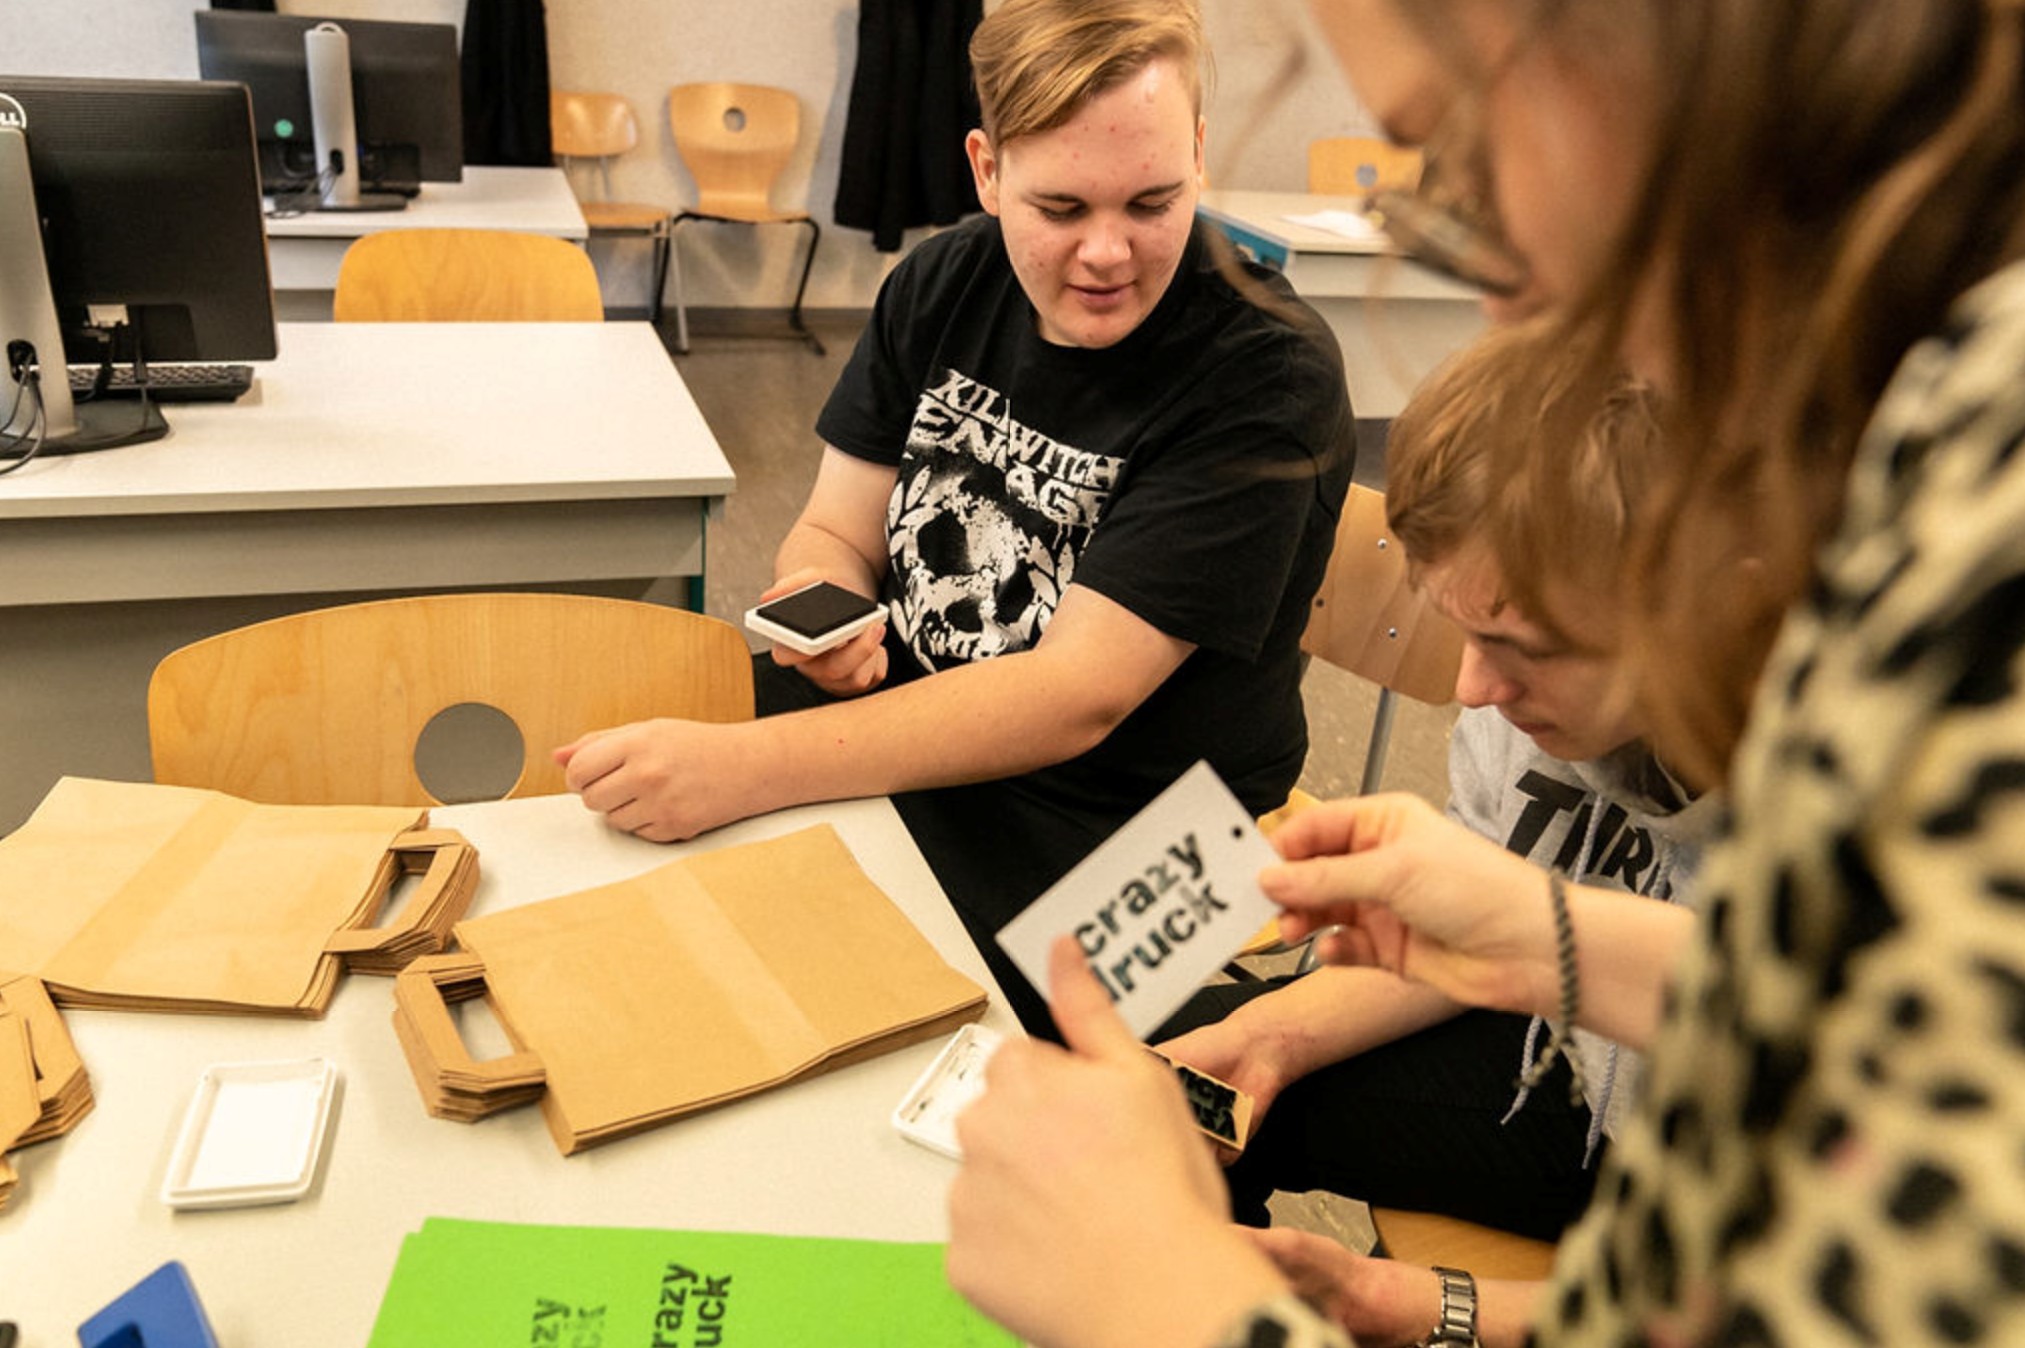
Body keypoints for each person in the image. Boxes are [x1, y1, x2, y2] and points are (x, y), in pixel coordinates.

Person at [946, 2, 2025, 1346]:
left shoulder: (1968, 499)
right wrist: (1547, 936)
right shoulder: (1915, 434)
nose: (1504, 295)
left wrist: (1175, 1304)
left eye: (1460, 148)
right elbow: (1844, 1028)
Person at [558, 0, 1355, 1036]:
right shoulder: (944, 280)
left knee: (923, 1050)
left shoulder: (1268, 370)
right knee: (632, 918)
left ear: (1198, 154)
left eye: (1152, 201)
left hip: (1174, 821)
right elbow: (834, 531)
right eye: (1059, 207)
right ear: (986, 170)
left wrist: (745, 770)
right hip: (918, 711)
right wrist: (825, 606)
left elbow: (1076, 699)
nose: (1106, 252)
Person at [1153, 320, 1716, 1285]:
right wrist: (1268, 1038)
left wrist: (1434, 1310)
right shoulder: (1529, 686)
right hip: (1569, 1056)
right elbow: (1477, 942)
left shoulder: (1861, 791)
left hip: (1723, 1175)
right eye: (1464, 632)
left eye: (1524, 649)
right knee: (1178, 1082)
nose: (1470, 689)